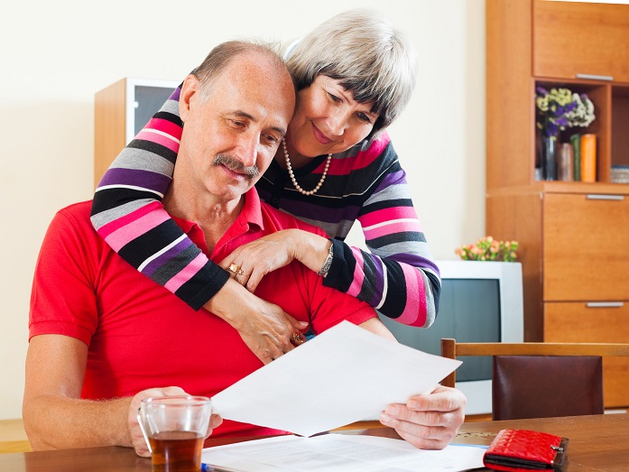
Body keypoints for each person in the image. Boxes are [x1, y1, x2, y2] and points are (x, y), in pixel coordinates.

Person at [25, 41, 466, 457]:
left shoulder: (298, 248)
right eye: (236, 122)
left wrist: (434, 410)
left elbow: (399, 375)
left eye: (271, 137)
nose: (248, 153)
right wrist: (126, 422)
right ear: (191, 98)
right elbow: (42, 421)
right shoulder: (81, 232)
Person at [90, 9, 442, 364]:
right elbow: (119, 201)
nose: (336, 126)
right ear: (305, 74)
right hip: (184, 312)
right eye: (334, 97)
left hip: (290, 344)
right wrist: (238, 306)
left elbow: (423, 298)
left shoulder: (372, 158)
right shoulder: (243, 88)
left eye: (362, 117)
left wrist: (305, 244)